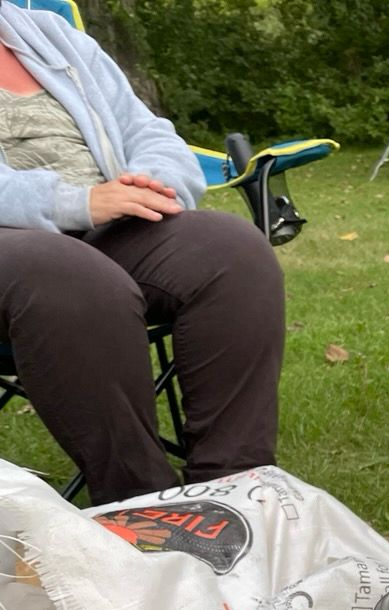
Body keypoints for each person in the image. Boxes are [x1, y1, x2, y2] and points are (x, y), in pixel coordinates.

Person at [0, 2, 283, 505]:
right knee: (69, 276)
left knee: (233, 253)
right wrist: (76, 202)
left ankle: (233, 495)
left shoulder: (47, 34)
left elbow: (147, 129)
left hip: (105, 228)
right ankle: (141, 508)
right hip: (26, 252)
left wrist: (154, 183)